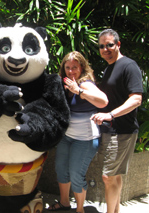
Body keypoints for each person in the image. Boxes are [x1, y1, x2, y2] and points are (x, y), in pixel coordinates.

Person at [47, 51, 108, 213]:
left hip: (86, 139)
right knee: (61, 169)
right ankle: (65, 202)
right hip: (67, 137)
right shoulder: (65, 83)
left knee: (76, 175)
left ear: (82, 67)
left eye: (75, 67)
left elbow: (103, 101)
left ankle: (80, 210)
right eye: (67, 67)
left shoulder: (85, 84)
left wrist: (78, 91)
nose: (71, 71)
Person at [90, 29, 143, 213]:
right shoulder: (109, 68)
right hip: (109, 130)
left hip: (122, 131)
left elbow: (136, 99)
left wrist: (110, 115)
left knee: (108, 177)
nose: (105, 49)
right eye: (102, 46)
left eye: (110, 45)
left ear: (118, 45)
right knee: (114, 176)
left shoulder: (129, 66)